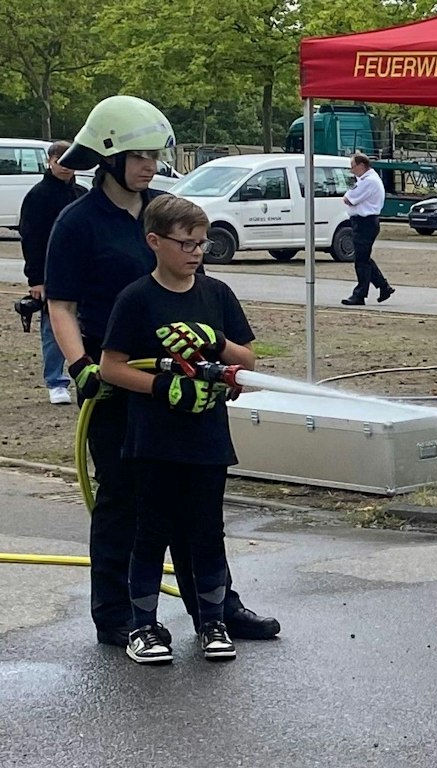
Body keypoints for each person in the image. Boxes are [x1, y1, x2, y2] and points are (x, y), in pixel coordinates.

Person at [45, 94, 280, 647]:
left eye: (154, 155)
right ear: (108, 158)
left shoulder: (164, 212)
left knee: (194, 502)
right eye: (139, 155)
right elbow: (62, 305)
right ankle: (118, 614)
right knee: (124, 500)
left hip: (184, 376)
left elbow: (195, 289)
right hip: (116, 377)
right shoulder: (78, 222)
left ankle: (216, 609)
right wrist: (80, 366)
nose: (150, 165)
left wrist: (214, 359)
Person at [97, 194, 257, 663]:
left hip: (207, 439)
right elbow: (111, 367)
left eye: (201, 243)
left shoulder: (217, 294)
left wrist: (217, 342)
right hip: (154, 440)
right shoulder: (136, 299)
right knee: (151, 532)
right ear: (155, 241)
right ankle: (143, 628)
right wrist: (162, 387)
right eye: (186, 243)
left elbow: (247, 361)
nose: (196, 252)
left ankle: (212, 624)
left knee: (207, 532)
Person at [21, 139, 85, 404]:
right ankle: (56, 381)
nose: (65, 166)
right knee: (53, 327)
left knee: (87, 325)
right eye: (59, 160)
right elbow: (31, 238)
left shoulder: (83, 193)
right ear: (49, 161)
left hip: (83, 272)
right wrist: (35, 279)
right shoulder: (38, 196)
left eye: (69, 161)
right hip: (52, 273)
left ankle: (86, 374)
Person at [340, 152, 393, 306]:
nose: (352, 170)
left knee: (361, 261)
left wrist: (349, 197)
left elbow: (348, 199)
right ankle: (384, 286)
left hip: (365, 222)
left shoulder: (368, 181)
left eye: (353, 167)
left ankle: (360, 294)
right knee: (364, 258)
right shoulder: (367, 179)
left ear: (362, 165)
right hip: (363, 222)